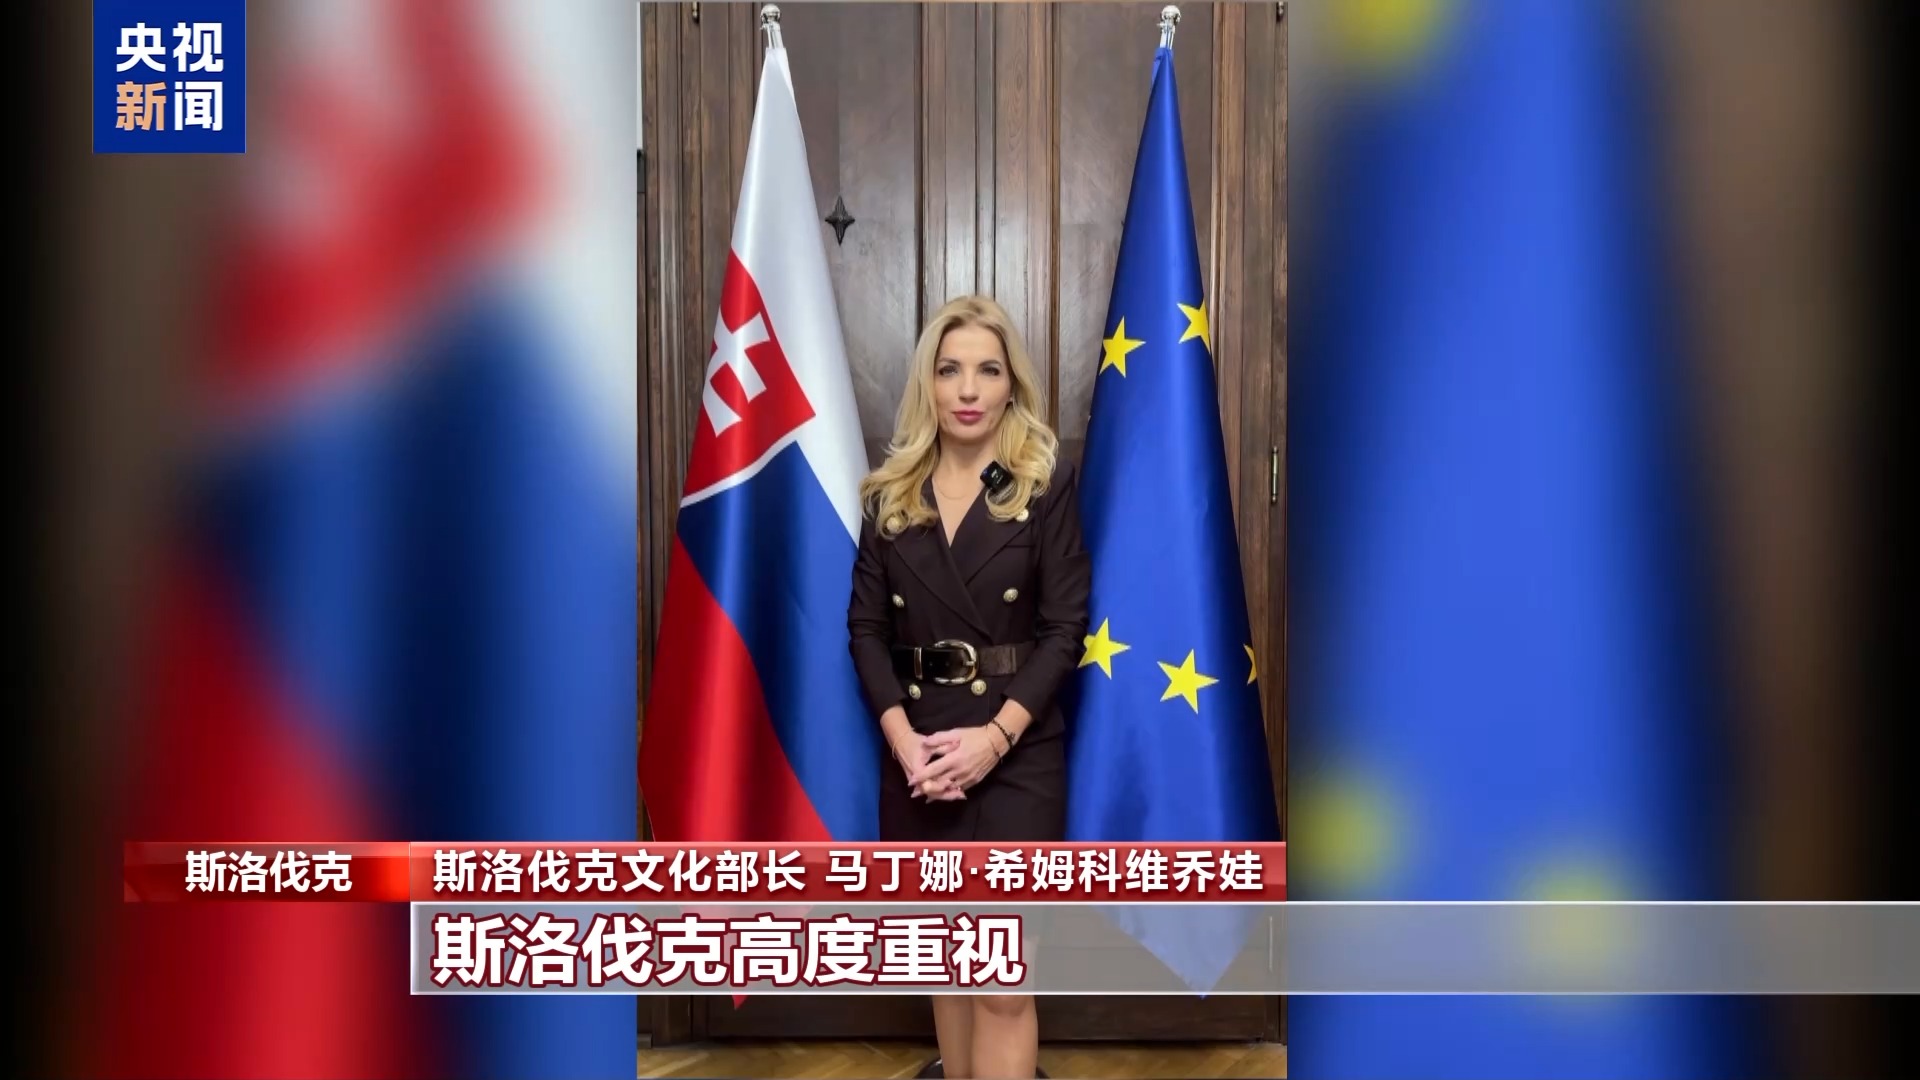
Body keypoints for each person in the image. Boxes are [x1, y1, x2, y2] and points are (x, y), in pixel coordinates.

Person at [848, 295, 1090, 1079]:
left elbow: (1065, 630)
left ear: (1011, 383)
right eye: (950, 370)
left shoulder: (1039, 485)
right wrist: (904, 744)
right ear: (928, 382)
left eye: (988, 370)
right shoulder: (892, 494)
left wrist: (994, 739)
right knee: (946, 970)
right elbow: (865, 632)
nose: (968, 389)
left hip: (1015, 752)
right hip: (919, 755)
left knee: (1001, 985)